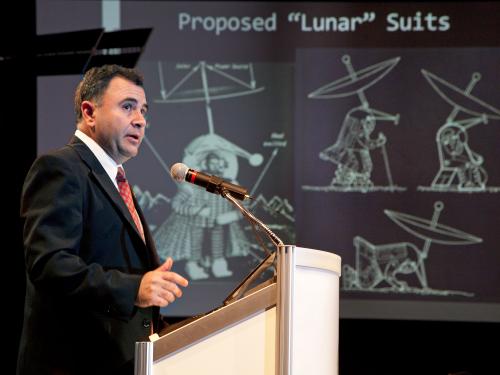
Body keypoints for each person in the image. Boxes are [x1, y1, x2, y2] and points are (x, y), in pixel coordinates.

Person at [17, 65, 189, 375]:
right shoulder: (61, 168)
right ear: (89, 111)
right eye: (127, 107)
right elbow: (50, 265)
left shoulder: (115, 179)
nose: (140, 120)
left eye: (143, 111)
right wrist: (134, 288)